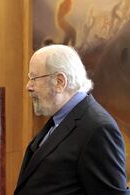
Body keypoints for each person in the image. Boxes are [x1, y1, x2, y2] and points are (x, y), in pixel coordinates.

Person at [15, 44, 130, 195]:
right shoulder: (59, 119)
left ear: (60, 82)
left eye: (34, 78)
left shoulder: (98, 129)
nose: (28, 86)